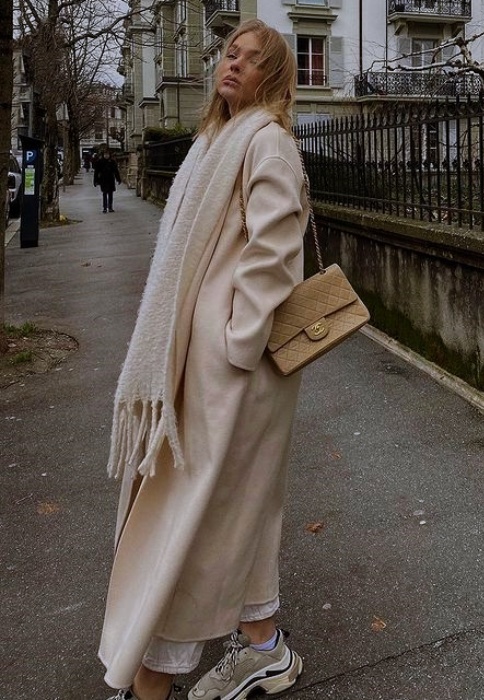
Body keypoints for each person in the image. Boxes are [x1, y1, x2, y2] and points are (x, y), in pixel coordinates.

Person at [98, 18, 309, 700]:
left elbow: (276, 258)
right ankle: (266, 647)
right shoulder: (214, 140)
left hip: (229, 373)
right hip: (209, 367)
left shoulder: (267, 144)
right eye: (230, 53)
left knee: (189, 520)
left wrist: (231, 347)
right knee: (235, 509)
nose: (233, 65)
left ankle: (153, 681)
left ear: (271, 77)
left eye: (251, 60)